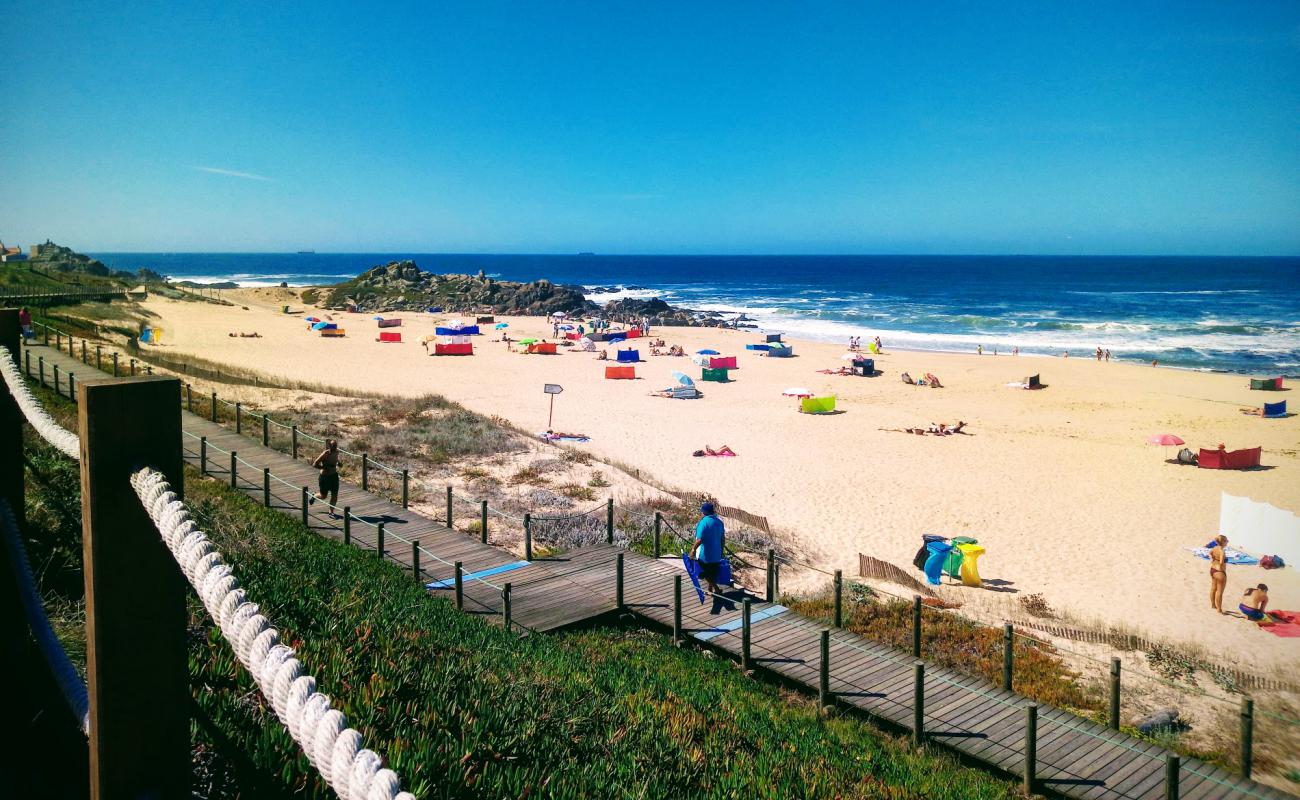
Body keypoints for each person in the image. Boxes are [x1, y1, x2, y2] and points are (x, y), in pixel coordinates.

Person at [691, 502, 726, 597]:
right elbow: (722, 539)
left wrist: (693, 550)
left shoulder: (703, 523)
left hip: (705, 554)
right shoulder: (719, 522)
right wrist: (721, 551)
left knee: (703, 573)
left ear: (704, 512)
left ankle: (717, 589)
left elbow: (700, 540)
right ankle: (709, 590)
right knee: (712, 572)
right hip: (717, 552)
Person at [310, 439, 341, 516]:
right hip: (324, 477)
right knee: (323, 496)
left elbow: (337, 461)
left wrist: (339, 464)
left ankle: (331, 511)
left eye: (335, 446)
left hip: (334, 476)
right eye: (332, 446)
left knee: (335, 494)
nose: (334, 447)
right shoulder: (325, 453)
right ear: (329, 446)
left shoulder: (337, 452)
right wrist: (323, 467)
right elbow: (315, 464)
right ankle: (314, 495)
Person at [1209, 535, 1228, 614]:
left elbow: (1210, 553)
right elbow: (1221, 562)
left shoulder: (1214, 548)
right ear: (1223, 542)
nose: (1227, 542)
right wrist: (1224, 561)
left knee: (1213, 588)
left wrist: (1212, 559)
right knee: (1219, 591)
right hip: (1220, 572)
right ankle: (1219, 609)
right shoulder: (1222, 551)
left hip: (1212, 570)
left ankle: (1213, 605)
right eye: (1226, 540)